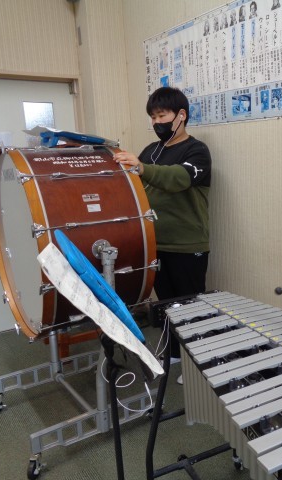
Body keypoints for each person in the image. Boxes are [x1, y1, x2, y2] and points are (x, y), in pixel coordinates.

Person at [114, 87, 212, 383]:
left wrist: (143, 168)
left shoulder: (197, 151)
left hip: (187, 243)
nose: (157, 122)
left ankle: (197, 367)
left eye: (162, 115)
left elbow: (178, 179)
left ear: (181, 116)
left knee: (191, 306)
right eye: (153, 117)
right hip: (155, 243)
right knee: (167, 305)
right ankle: (174, 353)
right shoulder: (150, 151)